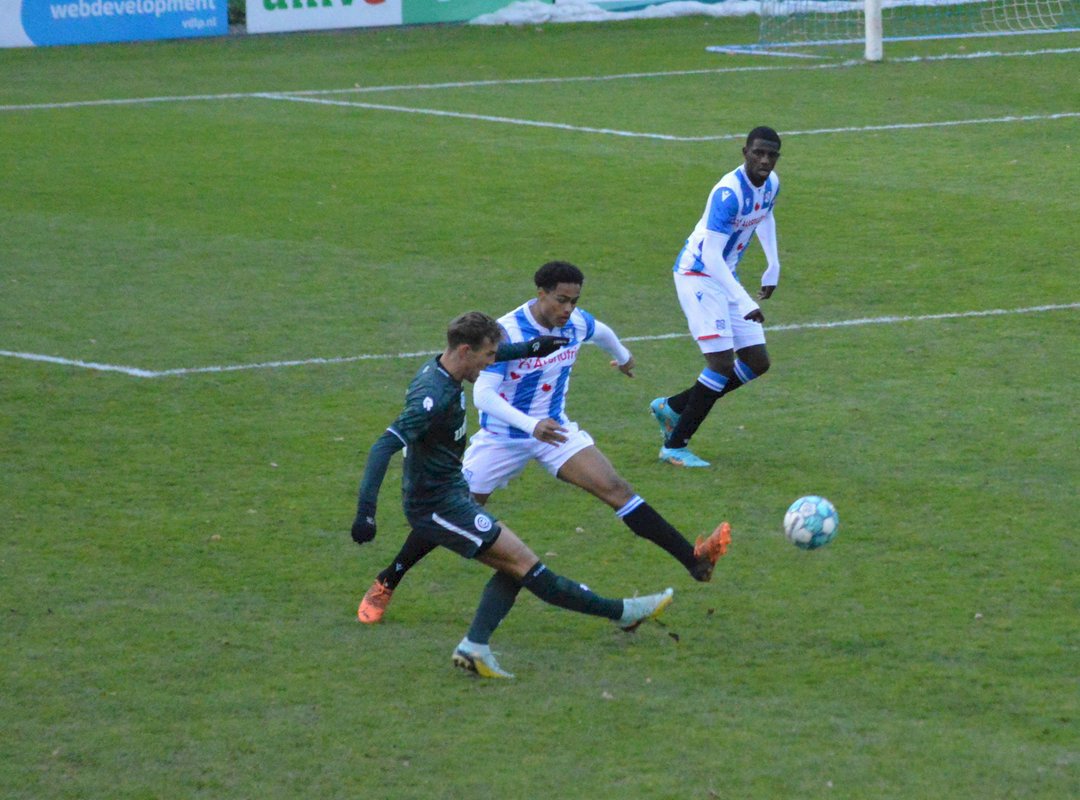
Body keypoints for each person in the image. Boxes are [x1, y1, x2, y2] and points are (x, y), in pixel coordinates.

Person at [355, 261, 732, 626]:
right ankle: (388, 580)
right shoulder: (505, 332)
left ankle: (695, 560)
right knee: (454, 511)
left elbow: (600, 331)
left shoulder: (575, 322)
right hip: (502, 438)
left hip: (554, 431)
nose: (568, 309)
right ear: (541, 294)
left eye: (574, 301)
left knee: (616, 489)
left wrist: (623, 357)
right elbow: (483, 395)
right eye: (561, 300)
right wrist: (530, 425)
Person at [351, 310, 675, 678]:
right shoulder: (431, 396)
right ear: (465, 350)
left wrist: (531, 348)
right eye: (488, 356)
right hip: (437, 507)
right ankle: (623, 612)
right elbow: (382, 447)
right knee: (526, 567)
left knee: (513, 566)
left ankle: (474, 646)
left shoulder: (445, 366)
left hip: (453, 494)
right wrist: (366, 513)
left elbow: (497, 354)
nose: (492, 364)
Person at [650, 126, 783, 468]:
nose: (765, 160)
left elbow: (765, 215)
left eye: (771, 155)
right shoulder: (728, 194)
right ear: (745, 153)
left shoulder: (771, 184)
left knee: (757, 362)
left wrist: (773, 264)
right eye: (758, 153)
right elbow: (710, 256)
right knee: (721, 364)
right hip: (698, 274)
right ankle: (674, 445)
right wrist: (744, 300)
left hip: (725, 274)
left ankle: (674, 407)